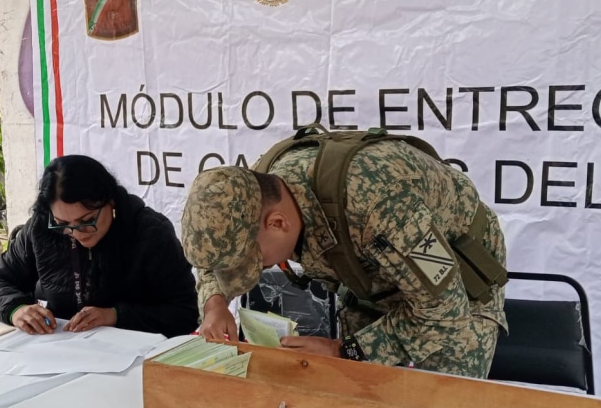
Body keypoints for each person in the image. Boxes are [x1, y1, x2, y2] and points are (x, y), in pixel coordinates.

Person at [180, 129, 508, 378]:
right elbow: (215, 255)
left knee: (443, 406)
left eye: (254, 261)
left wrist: (342, 350)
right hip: (375, 268)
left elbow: (445, 311)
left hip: (456, 280)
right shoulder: (246, 194)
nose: (252, 270)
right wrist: (215, 303)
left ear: (278, 223)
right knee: (361, 389)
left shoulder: (380, 205)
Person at [0, 154, 199, 338]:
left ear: (110, 201)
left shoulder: (150, 233)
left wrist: (115, 316)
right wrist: (16, 309)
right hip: (60, 348)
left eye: (87, 220)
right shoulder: (41, 229)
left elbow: (185, 312)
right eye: (62, 223)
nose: (76, 233)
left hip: (134, 355)